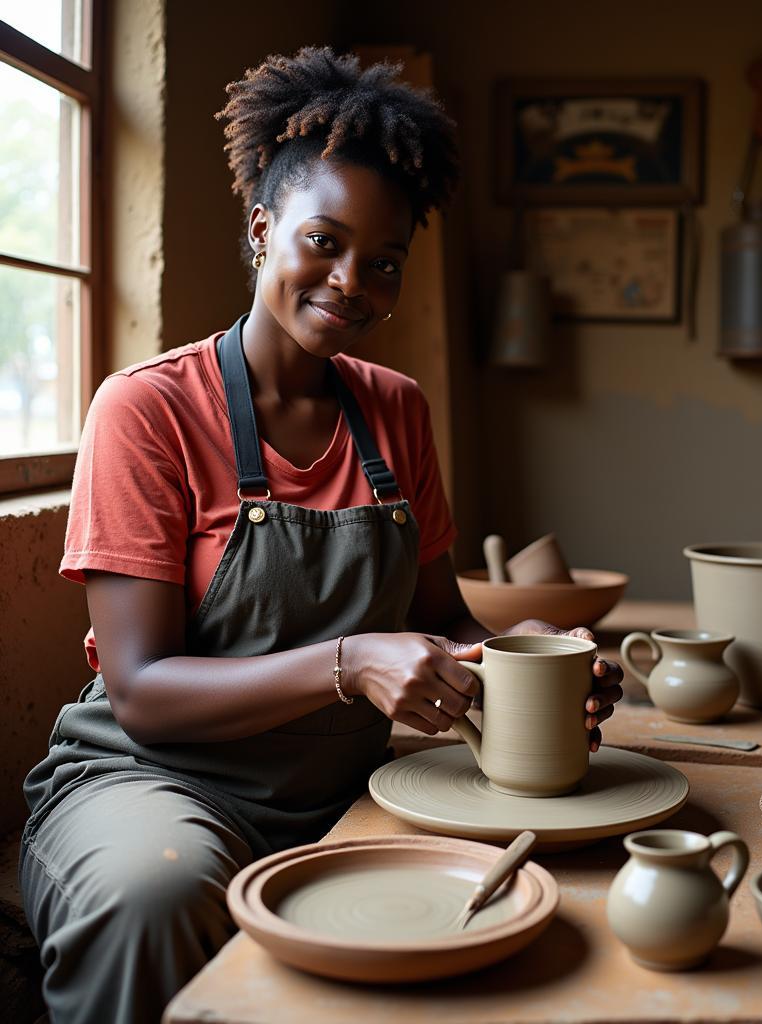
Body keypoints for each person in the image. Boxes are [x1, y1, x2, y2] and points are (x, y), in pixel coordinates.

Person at [18, 48, 624, 1024]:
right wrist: (347, 661)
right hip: (156, 785)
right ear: (263, 230)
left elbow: (441, 618)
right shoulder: (147, 411)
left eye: (382, 263)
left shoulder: (398, 410)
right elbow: (142, 693)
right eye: (324, 242)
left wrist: (538, 673)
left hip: (344, 787)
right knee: (154, 896)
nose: (351, 281)